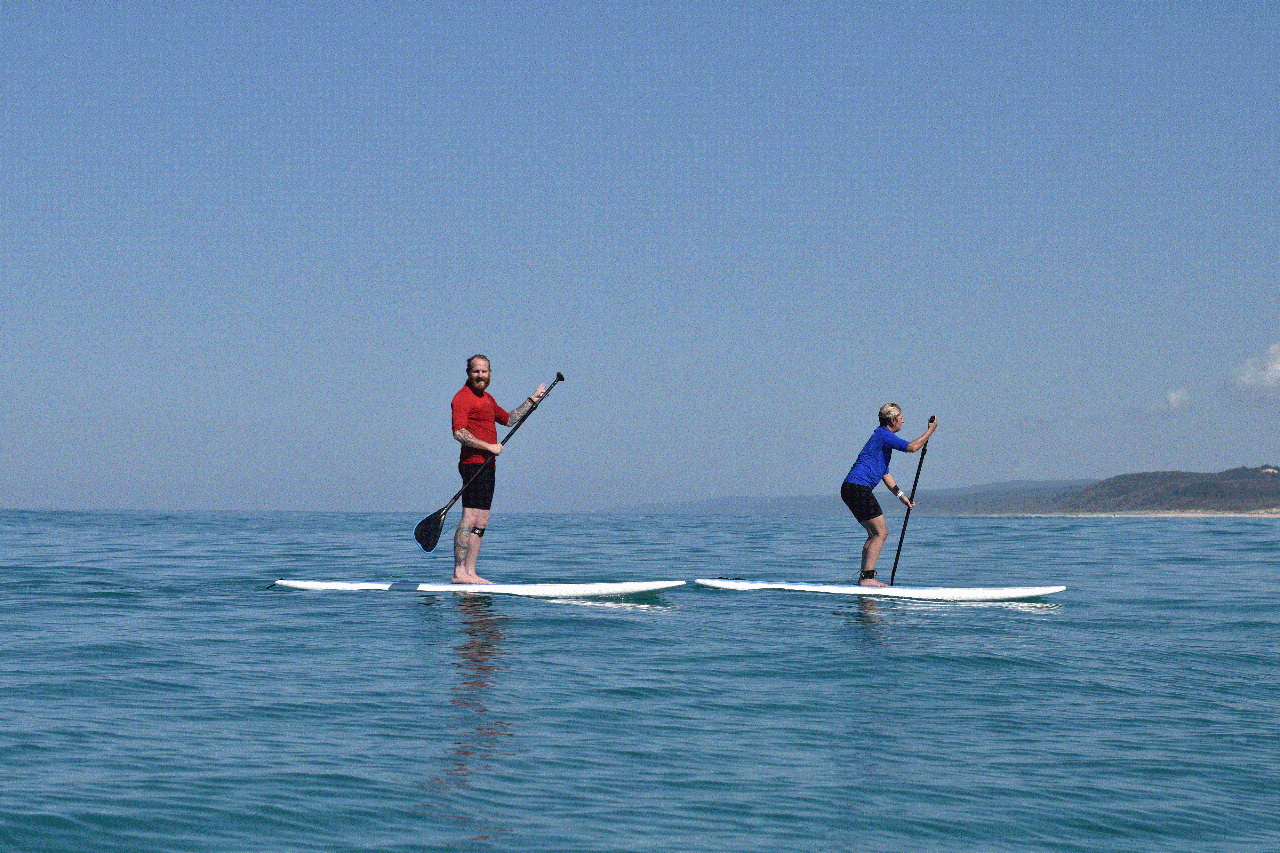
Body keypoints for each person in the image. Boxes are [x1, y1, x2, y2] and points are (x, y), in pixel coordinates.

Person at [450, 354, 546, 584]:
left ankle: (470, 572)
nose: (480, 375)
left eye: (484, 371)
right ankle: (459, 572)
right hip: (472, 463)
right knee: (470, 516)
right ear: (468, 373)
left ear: (490, 373)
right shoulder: (462, 398)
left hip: (488, 466)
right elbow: (459, 433)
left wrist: (532, 400)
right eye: (476, 371)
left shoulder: (488, 399)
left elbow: (509, 419)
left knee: (482, 520)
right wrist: (488, 446)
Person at [841, 404, 937, 586]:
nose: (903, 420)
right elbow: (912, 447)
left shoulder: (881, 440)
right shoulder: (884, 435)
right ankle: (867, 579)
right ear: (892, 420)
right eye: (900, 417)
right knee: (881, 532)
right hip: (857, 488)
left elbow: (885, 474)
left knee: (873, 533)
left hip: (851, 488)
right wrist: (930, 431)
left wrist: (902, 496)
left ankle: (865, 578)